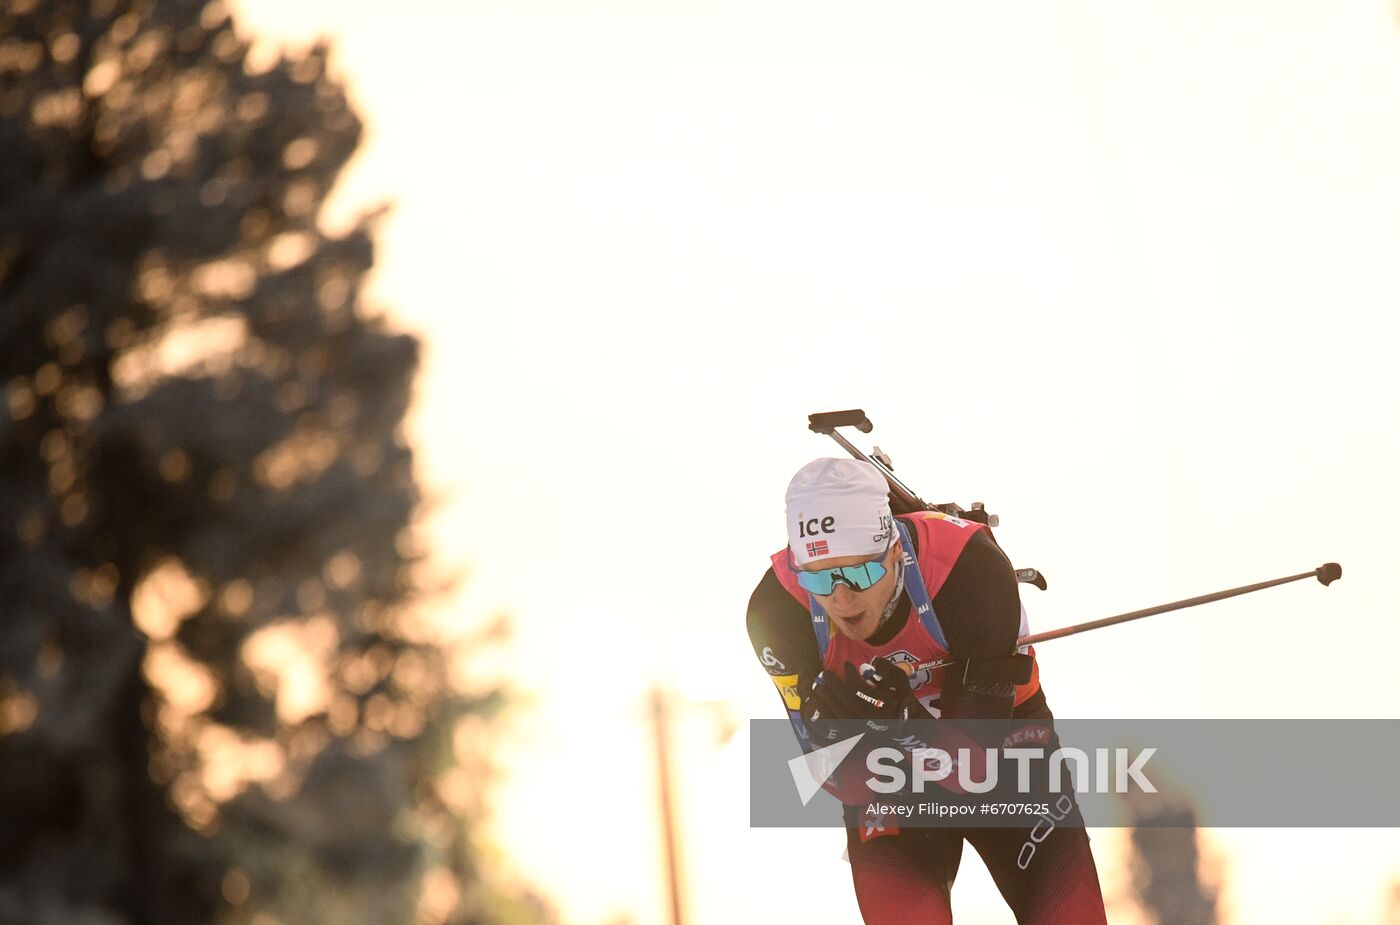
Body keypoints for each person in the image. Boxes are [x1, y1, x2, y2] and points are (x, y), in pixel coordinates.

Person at [747, 457, 1107, 924]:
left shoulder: (970, 570)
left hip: (1008, 754)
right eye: (818, 577)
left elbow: (975, 774)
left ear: (894, 550)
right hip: (889, 780)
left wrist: (901, 723)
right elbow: (833, 781)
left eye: (858, 574)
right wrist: (835, 739)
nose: (840, 598)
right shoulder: (777, 612)